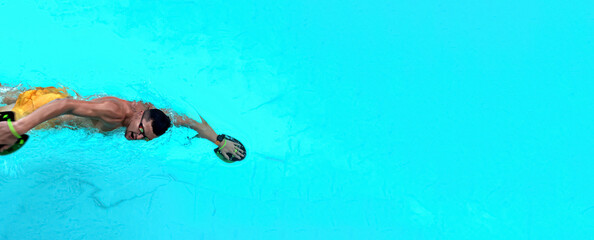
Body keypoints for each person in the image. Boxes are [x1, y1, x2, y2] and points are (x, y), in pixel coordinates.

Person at [0, 84, 246, 161]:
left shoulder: (155, 114)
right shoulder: (115, 112)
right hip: (43, 112)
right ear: (139, 116)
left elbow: (193, 123)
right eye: (140, 130)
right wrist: (20, 127)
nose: (136, 136)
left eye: (143, 137)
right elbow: (66, 105)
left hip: (51, 94)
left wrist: (218, 141)